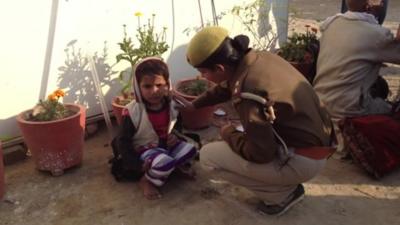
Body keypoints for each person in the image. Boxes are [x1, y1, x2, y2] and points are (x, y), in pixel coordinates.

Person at [174, 26, 334, 216]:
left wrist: (228, 133)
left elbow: (261, 153)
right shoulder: (256, 59)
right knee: (242, 139)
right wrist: (195, 104)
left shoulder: (248, 92)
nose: (202, 77)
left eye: (203, 72)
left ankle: (281, 194)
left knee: (209, 157)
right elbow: (228, 85)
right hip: (318, 144)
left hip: (304, 160)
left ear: (219, 68)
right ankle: (284, 181)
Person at [313, 0, 400, 153]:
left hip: (320, 106)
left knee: (379, 86)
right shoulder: (377, 35)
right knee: (391, 111)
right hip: (348, 110)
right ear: (369, 6)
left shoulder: (331, 24)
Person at [113, 57, 197, 200]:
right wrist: (136, 164)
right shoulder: (133, 111)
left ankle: (172, 169)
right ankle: (146, 180)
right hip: (144, 149)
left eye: (159, 85)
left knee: (191, 149)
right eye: (147, 86)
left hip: (165, 145)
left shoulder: (172, 105)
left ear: (167, 84)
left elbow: (177, 126)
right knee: (164, 162)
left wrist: (175, 136)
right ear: (137, 86)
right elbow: (123, 141)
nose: (154, 91)